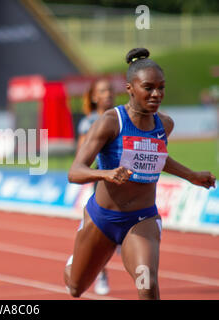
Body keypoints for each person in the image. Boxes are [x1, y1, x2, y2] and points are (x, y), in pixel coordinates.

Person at [63, 48, 216, 300]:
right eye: (148, 87)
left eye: (161, 87)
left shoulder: (164, 124)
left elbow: (155, 158)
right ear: (130, 88)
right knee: (75, 288)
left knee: (147, 284)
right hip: (103, 218)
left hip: (142, 219)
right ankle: (74, 260)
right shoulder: (111, 122)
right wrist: (107, 174)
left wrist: (191, 175)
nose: (156, 94)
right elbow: (74, 172)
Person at [75, 78, 115, 295]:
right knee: (101, 237)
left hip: (126, 185)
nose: (107, 94)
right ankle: (101, 273)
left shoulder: (124, 117)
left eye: (110, 89)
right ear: (94, 97)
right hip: (101, 185)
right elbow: (81, 159)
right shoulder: (88, 123)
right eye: (102, 91)